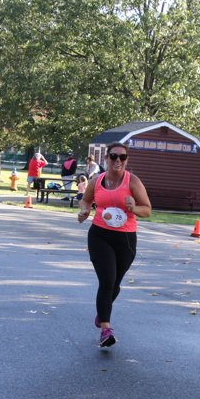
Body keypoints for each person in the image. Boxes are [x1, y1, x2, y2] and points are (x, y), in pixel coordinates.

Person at [76, 142, 151, 347]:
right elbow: (86, 200)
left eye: (122, 157)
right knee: (107, 281)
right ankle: (105, 330)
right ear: (106, 158)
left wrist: (134, 208)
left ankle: (102, 312)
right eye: (114, 156)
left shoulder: (132, 181)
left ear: (126, 160)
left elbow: (147, 210)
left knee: (115, 284)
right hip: (99, 235)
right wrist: (84, 210)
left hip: (125, 239)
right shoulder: (97, 180)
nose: (118, 160)